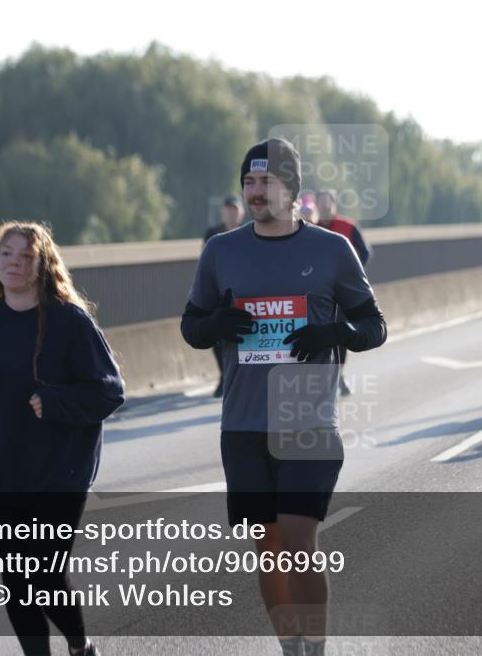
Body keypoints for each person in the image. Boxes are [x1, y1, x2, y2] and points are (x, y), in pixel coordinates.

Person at [180, 138, 386, 656]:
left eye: (265, 182)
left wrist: (332, 333)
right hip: (244, 423)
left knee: (298, 545)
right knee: (268, 553)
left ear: (292, 189)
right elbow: (190, 326)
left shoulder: (331, 250)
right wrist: (216, 324)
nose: (254, 191)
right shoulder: (221, 251)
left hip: (307, 417)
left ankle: (315, 649)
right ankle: (290, 648)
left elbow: (374, 326)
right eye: (248, 182)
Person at [0, 221, 125, 656]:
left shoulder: (68, 320)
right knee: (16, 580)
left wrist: (56, 402)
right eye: (6, 254)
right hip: (2, 471)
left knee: (45, 573)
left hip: (58, 473)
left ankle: (81, 647)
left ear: (42, 264)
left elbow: (109, 391)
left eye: (26, 256)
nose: (14, 263)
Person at [315, 189, 373, 396]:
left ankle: (338, 375)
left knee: (341, 333)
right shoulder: (310, 228)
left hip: (342, 293)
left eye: (327, 203)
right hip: (318, 294)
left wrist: (352, 279)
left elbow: (365, 253)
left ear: (334, 204)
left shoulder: (348, 227)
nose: (324, 207)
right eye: (320, 203)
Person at [204, 196, 247, 397]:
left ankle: (236, 377)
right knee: (215, 334)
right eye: (228, 209)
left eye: (234, 209)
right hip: (218, 291)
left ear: (241, 212)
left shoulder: (249, 232)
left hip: (242, 292)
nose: (231, 213)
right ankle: (224, 375)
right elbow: (205, 263)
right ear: (223, 212)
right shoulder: (212, 234)